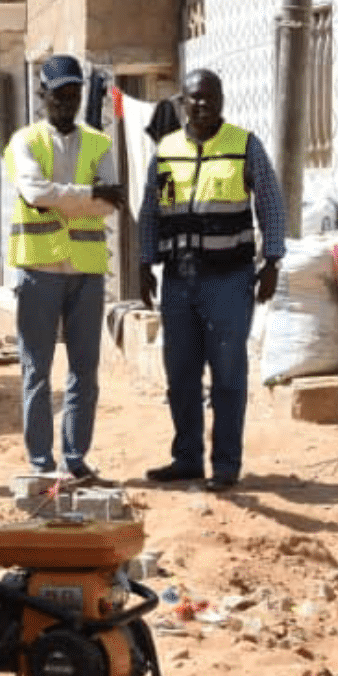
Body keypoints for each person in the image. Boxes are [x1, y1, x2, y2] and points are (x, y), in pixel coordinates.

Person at [137, 68, 285, 492]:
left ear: (221, 99)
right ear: (182, 102)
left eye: (209, 96)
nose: (201, 104)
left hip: (229, 281)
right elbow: (150, 211)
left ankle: (225, 465)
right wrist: (144, 264)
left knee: (227, 374)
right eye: (193, 97)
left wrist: (272, 261)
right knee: (180, 374)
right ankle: (187, 459)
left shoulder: (244, 145)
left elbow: (271, 204)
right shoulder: (166, 150)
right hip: (178, 281)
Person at [5, 54, 126, 483]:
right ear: (42, 95)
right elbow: (35, 194)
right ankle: (41, 463)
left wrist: (65, 197)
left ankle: (75, 459)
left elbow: (111, 202)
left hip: (86, 271)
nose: (67, 102)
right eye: (59, 95)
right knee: (36, 370)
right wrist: (88, 194)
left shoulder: (99, 143)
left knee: (84, 372)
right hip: (39, 270)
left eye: (74, 94)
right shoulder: (24, 142)